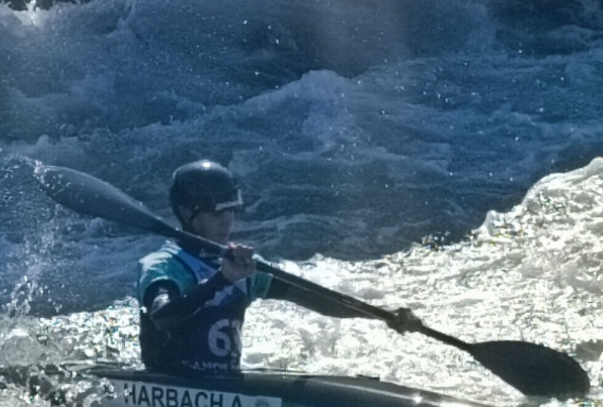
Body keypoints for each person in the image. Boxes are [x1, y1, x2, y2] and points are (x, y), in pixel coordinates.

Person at [136, 160, 422, 376]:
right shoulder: (165, 265)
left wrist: (383, 315)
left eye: (231, 211)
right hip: (170, 382)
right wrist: (222, 280)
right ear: (187, 213)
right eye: (216, 214)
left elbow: (312, 297)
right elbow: (163, 317)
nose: (227, 221)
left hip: (223, 384)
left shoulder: (242, 266)